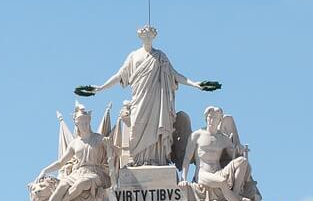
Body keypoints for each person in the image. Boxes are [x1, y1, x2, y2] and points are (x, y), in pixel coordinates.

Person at [80, 25, 215, 167]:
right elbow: (120, 75)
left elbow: (174, 74)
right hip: (139, 99)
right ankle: (137, 160)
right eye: (145, 35)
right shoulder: (134, 56)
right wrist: (101, 88)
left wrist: (195, 84)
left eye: (150, 35)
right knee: (136, 128)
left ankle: (156, 161)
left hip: (157, 101)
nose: (148, 38)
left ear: (154, 37)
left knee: (157, 129)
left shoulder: (160, 56)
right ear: (140, 37)